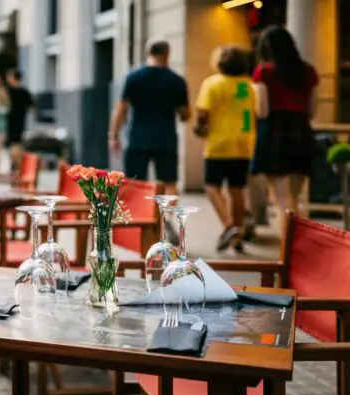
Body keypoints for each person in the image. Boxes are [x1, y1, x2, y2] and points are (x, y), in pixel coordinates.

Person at [252, 27, 318, 227]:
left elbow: (262, 110)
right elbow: (312, 111)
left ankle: (289, 247)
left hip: (274, 131)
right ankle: (295, 241)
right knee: (294, 197)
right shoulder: (308, 71)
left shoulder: (264, 72)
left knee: (281, 198)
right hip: (301, 130)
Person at [109, 39, 190, 197]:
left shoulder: (133, 77)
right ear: (167, 54)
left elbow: (120, 109)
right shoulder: (177, 81)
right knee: (169, 182)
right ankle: (165, 219)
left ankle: (140, 218)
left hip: (138, 138)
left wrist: (113, 135)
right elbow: (185, 114)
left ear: (148, 53)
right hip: (166, 138)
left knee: (135, 183)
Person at [194, 46, 256, 252]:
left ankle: (230, 226)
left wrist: (200, 128)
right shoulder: (248, 86)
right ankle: (236, 238)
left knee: (212, 188)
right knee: (237, 190)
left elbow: (203, 113)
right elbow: (250, 114)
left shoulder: (213, 83)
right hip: (243, 143)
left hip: (219, 143)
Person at [5, 69, 34, 171]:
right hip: (16, 122)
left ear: (14, 78)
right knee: (15, 146)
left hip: (12, 122)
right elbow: (32, 106)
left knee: (15, 146)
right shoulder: (24, 92)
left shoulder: (7, 92)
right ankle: (16, 167)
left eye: (9, 77)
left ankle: (15, 167)